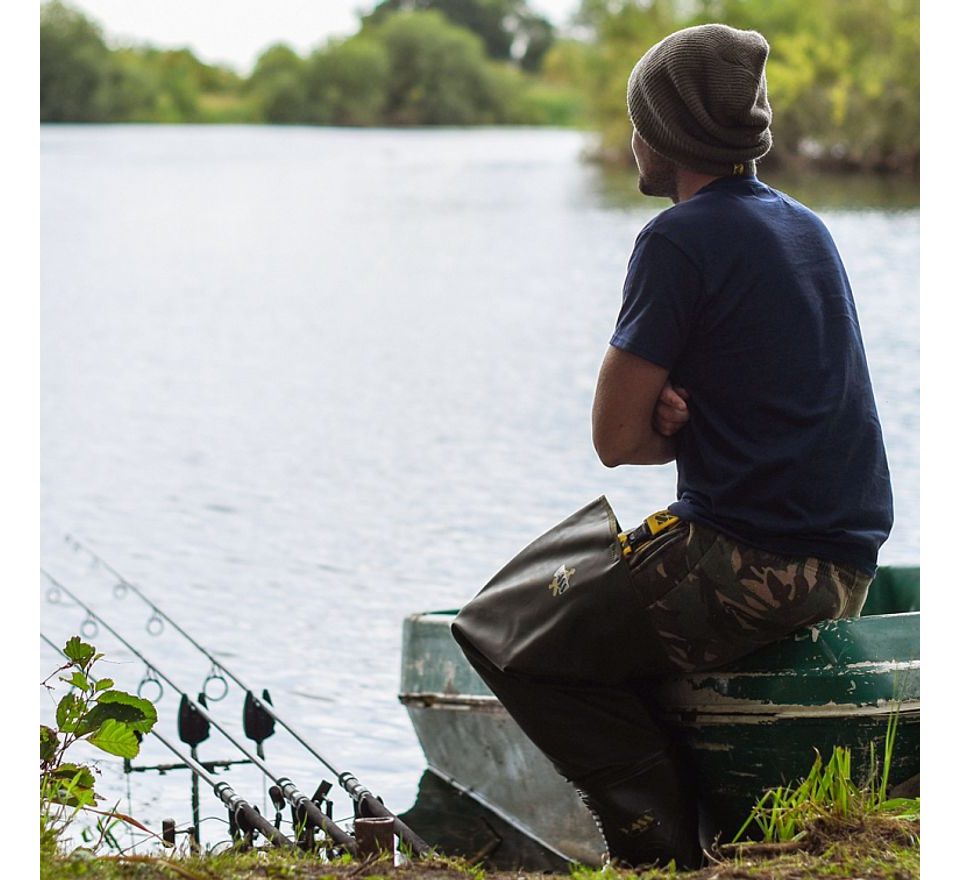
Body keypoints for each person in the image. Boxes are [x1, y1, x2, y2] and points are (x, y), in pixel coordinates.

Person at [456, 22, 893, 871]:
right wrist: (679, 419)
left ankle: (657, 852)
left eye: (638, 119)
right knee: (593, 607)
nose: (632, 140)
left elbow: (615, 441)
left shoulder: (676, 240)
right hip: (847, 564)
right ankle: (718, 821)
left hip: (752, 562)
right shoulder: (807, 229)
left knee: (507, 634)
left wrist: (663, 421)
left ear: (665, 133)